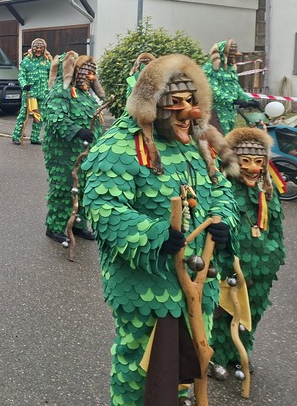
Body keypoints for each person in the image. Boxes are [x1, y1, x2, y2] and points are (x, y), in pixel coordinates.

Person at [83, 53, 239, 406]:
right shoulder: (119, 146)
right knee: (143, 373)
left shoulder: (197, 143)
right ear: (153, 106)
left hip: (199, 285)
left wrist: (222, 219)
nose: (190, 113)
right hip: (148, 289)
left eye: (192, 101)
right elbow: (105, 209)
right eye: (177, 103)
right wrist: (156, 236)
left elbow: (221, 188)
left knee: (186, 368)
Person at [208, 126, 286, 381]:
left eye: (259, 162)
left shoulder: (267, 191)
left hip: (262, 270)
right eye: (246, 161)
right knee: (224, 313)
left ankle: (239, 354)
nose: (253, 168)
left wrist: (274, 257)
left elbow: (276, 229)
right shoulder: (223, 191)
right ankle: (216, 355)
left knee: (251, 313)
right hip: (230, 267)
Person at [42, 53, 104, 242]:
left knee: (83, 187)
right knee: (64, 187)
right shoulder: (60, 92)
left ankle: (78, 224)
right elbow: (55, 119)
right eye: (85, 73)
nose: (89, 77)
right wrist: (78, 131)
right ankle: (55, 227)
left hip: (85, 153)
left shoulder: (85, 94)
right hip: (64, 154)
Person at [203, 39, 256, 134]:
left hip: (230, 111)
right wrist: (233, 100)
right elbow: (213, 90)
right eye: (232, 55)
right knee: (219, 136)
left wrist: (248, 100)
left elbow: (236, 87)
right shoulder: (210, 68)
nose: (234, 58)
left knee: (229, 135)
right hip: (216, 111)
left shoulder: (230, 68)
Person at [11, 38, 51, 145]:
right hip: (30, 93)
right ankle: (16, 136)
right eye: (36, 48)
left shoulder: (47, 61)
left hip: (42, 93)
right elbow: (21, 76)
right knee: (24, 115)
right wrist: (24, 85)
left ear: (44, 49)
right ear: (32, 48)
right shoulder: (26, 61)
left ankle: (35, 137)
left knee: (39, 116)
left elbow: (51, 76)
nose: (38, 50)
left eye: (41, 48)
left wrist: (50, 88)